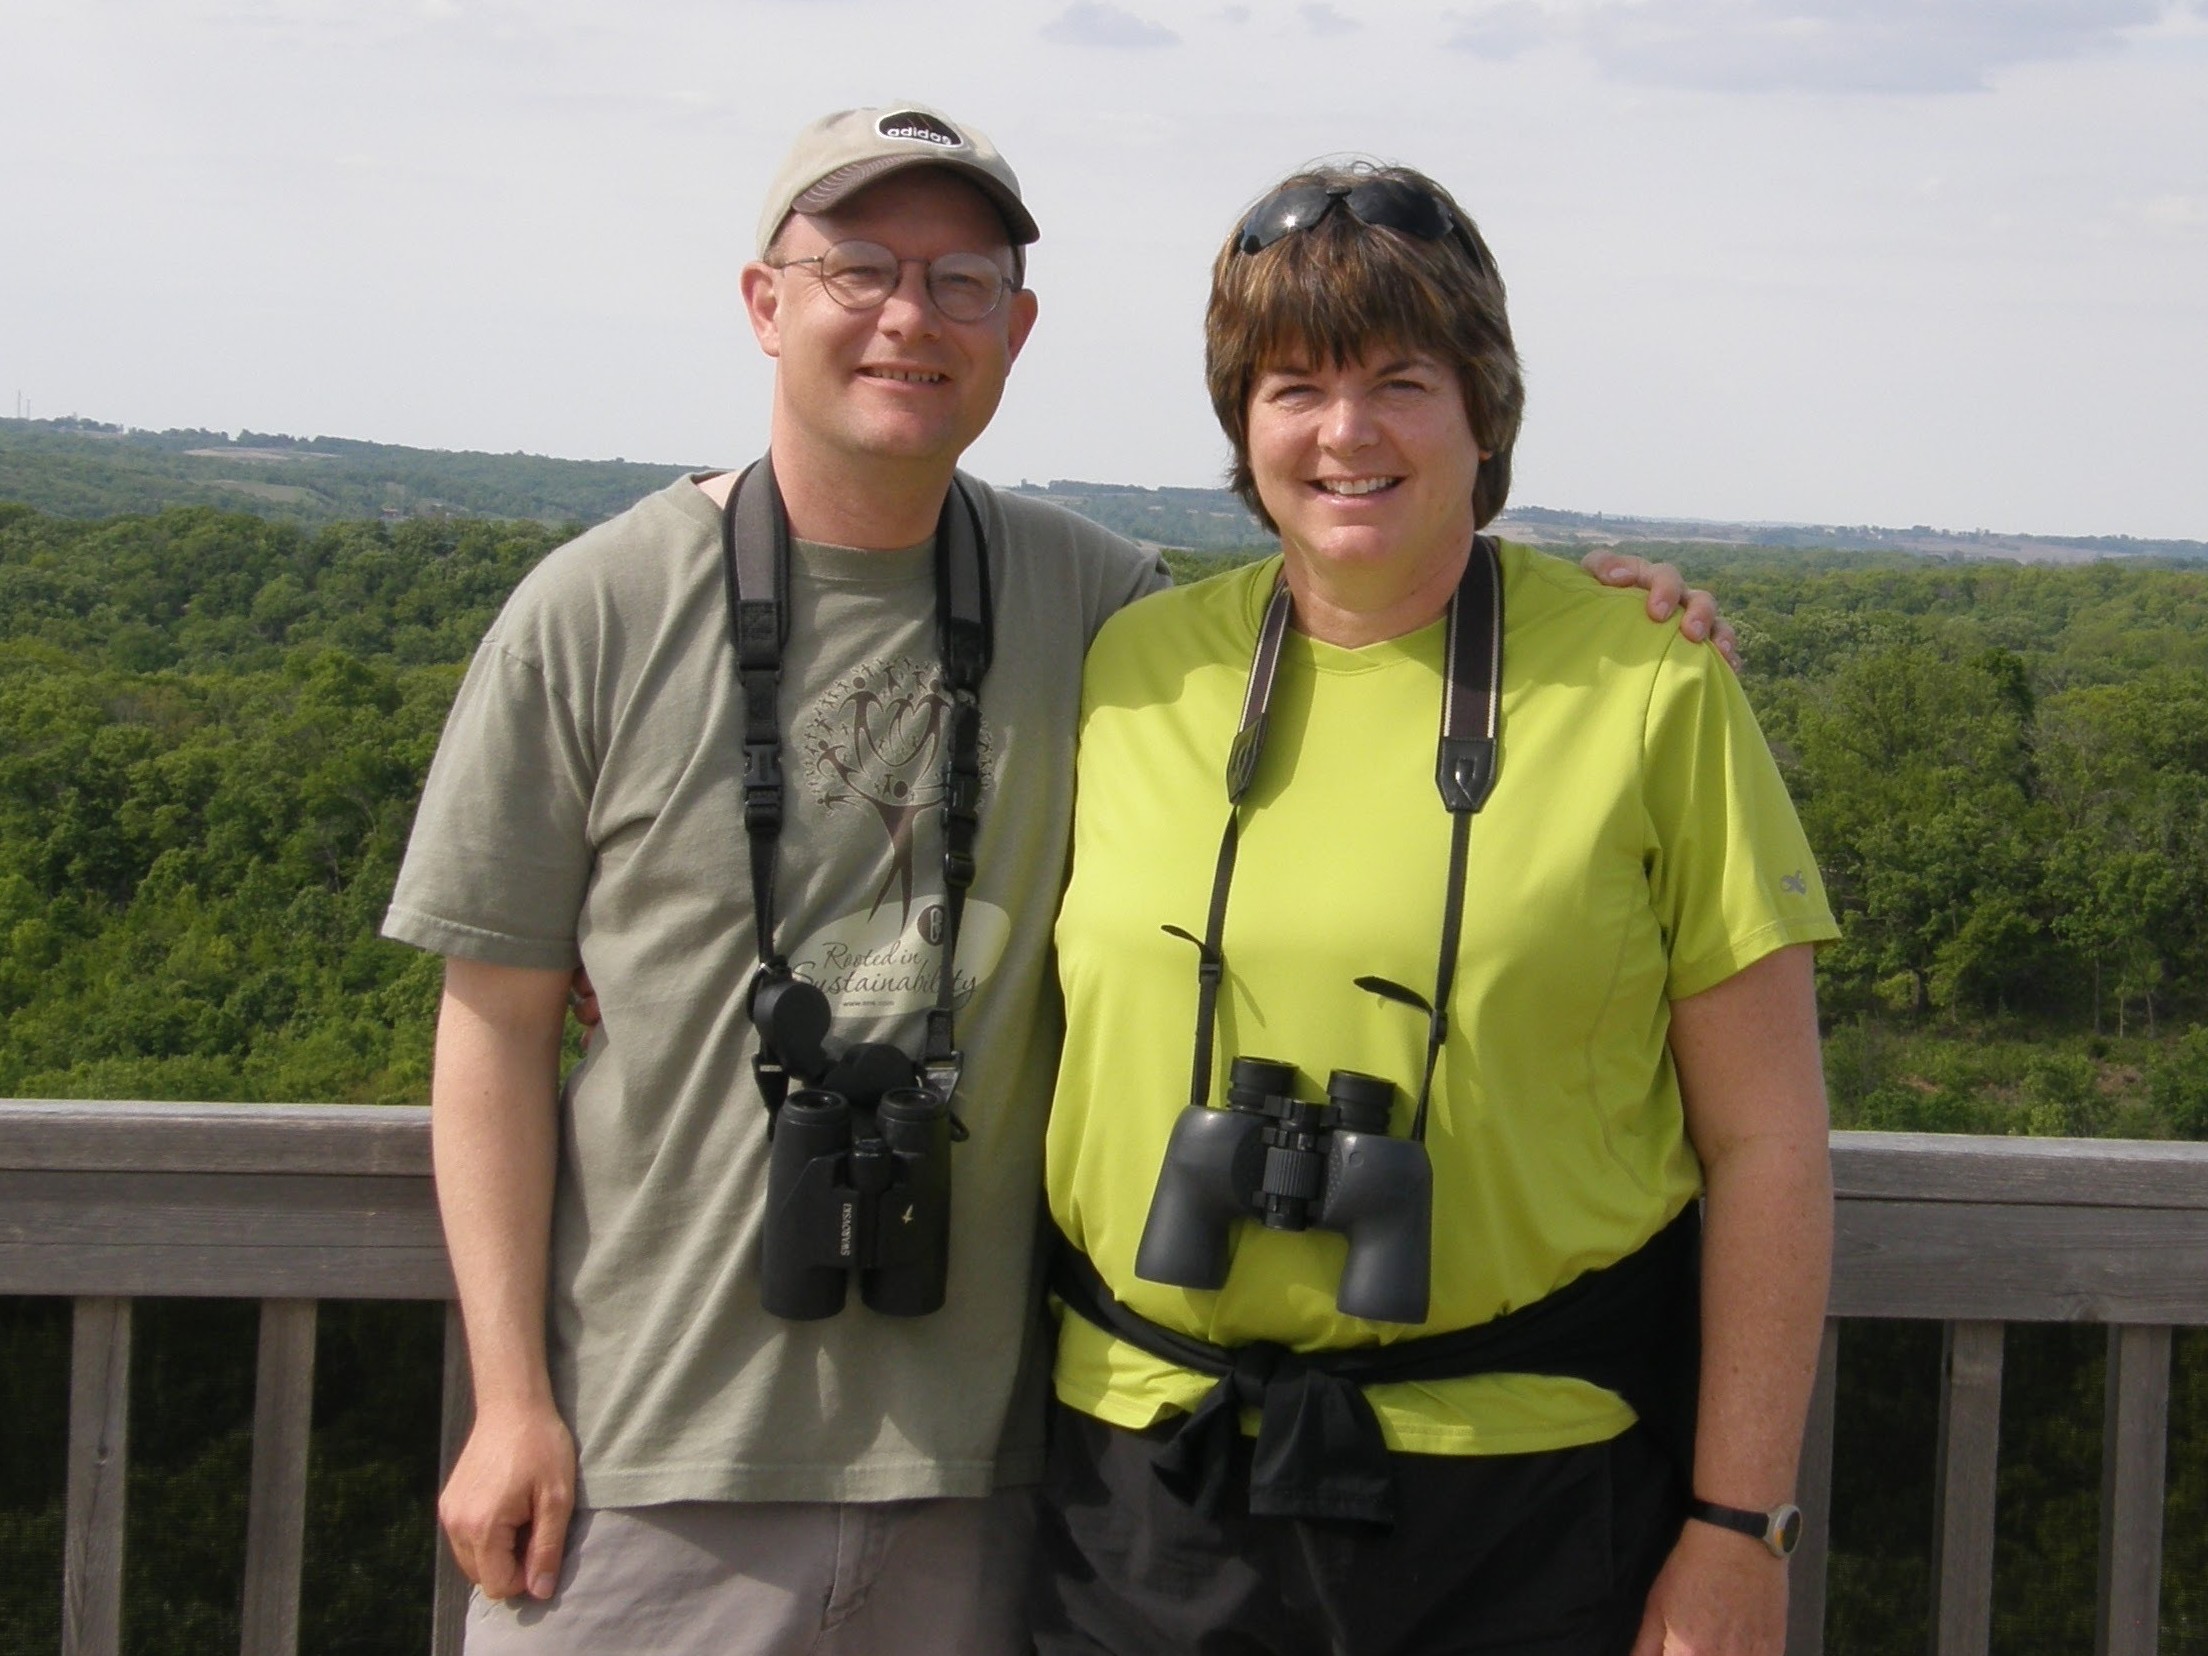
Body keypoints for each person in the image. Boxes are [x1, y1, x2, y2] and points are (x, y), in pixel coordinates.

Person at [385, 104, 1736, 1656]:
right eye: (860, 267)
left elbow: (1357, 581)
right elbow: (486, 1020)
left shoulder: (1100, 606)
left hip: (997, 1475)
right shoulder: (592, 614)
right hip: (644, 1461)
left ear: (1017, 330)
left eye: (963, 281)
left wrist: (1606, 606)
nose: (911, 315)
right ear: (766, 301)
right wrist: (509, 1401)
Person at [1033, 163, 1839, 1656]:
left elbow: (1770, 1140)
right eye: (1294, 385)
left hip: (1525, 1483)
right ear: (1242, 425)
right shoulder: (1129, 667)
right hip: (1142, 1481)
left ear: (1486, 415)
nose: (1347, 431)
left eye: (1402, 379)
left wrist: (1741, 1529)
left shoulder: (1648, 684)